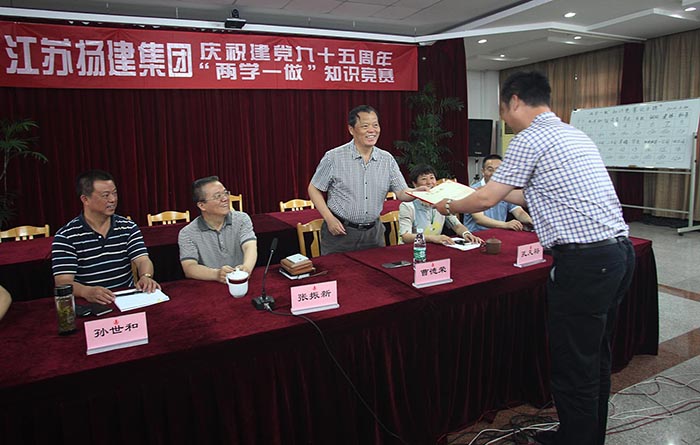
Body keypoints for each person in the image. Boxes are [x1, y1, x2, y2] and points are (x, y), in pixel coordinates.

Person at [435, 71, 635, 445]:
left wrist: (448, 204)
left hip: (585, 264)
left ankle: (577, 440)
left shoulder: (530, 138)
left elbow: (485, 199)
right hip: (617, 255)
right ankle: (584, 434)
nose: (505, 119)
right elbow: (528, 195)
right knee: (595, 358)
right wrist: (469, 192)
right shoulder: (572, 134)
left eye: (503, 110)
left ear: (514, 101)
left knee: (574, 364)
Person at [308, 105, 425, 255]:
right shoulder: (334, 157)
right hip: (340, 233)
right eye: (365, 126)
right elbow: (314, 188)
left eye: (375, 125)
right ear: (351, 129)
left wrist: (417, 192)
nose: (372, 130)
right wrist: (329, 218)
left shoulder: (387, 159)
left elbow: (402, 192)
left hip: (374, 234)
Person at [52, 169, 160, 304]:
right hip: (90, 303)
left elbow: (143, 260)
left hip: (126, 299)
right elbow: (63, 282)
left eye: (115, 193)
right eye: (105, 195)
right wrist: (86, 291)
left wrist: (145, 276)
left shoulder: (127, 227)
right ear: (85, 199)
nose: (113, 199)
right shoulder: (66, 236)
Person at [178, 176, 257, 283]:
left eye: (225, 193)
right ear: (202, 205)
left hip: (241, 282)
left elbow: (250, 246)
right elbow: (189, 267)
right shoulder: (187, 233)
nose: (225, 198)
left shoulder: (242, 219)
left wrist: (246, 268)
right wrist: (216, 274)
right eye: (218, 196)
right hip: (210, 286)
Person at [399, 164, 483, 246]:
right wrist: (433, 238)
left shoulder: (442, 202)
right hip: (412, 248)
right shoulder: (407, 205)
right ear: (414, 184)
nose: (429, 182)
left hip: (433, 246)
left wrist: (466, 234)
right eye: (424, 179)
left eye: (432, 178)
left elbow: (456, 225)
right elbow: (406, 237)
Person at [463, 154, 533, 232]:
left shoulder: (505, 189)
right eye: (490, 169)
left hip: (499, 233)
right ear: (483, 171)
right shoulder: (473, 190)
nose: (494, 173)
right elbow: (479, 219)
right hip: (476, 235)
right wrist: (506, 224)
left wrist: (531, 221)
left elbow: (519, 212)